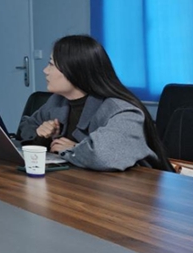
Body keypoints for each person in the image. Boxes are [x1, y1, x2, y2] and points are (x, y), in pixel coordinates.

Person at [18, 35, 173, 172]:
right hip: (82, 183)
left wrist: (73, 149)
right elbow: (25, 128)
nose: (45, 71)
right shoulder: (58, 101)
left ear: (74, 69)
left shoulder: (122, 111)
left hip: (134, 189)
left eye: (51, 64)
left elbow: (104, 156)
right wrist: (41, 135)